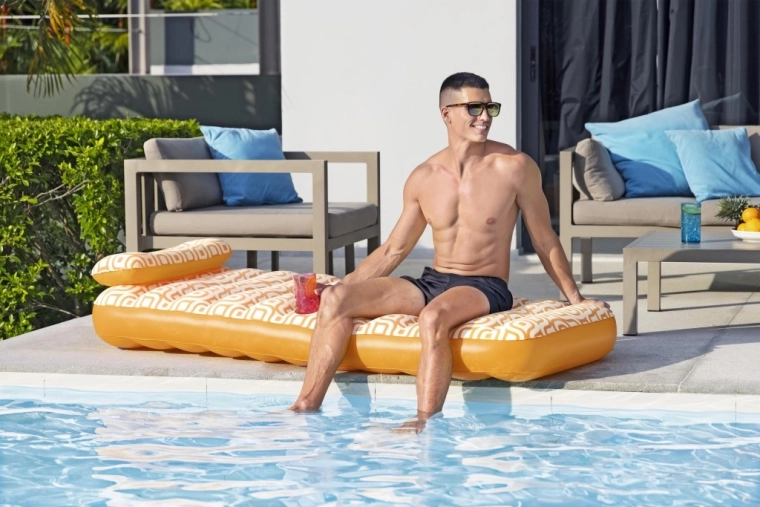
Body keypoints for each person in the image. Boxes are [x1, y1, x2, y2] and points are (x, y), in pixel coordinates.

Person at [290, 72, 608, 429]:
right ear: (447, 113)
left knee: (433, 318)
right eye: (474, 108)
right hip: (434, 281)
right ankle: (305, 406)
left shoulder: (514, 167)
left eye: (490, 107)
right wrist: (342, 285)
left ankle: (424, 422)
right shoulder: (424, 176)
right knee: (337, 299)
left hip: (484, 285)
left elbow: (544, 238)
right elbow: (394, 249)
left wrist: (576, 299)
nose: (484, 116)